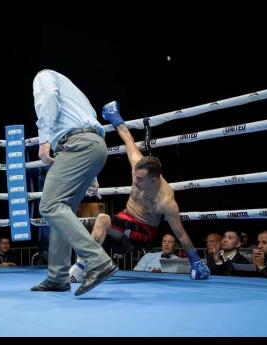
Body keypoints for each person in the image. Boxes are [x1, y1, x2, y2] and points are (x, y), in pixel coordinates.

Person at [69, 100, 209, 282]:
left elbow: (180, 234)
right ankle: (88, 265)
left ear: (154, 179)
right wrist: (114, 117)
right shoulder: (138, 165)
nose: (135, 181)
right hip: (124, 221)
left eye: (140, 179)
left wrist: (196, 261)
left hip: (142, 235)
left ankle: (83, 267)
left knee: (102, 219)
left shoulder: (165, 201)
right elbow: (127, 138)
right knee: (84, 225)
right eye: (135, 176)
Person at [30, 69, 117, 296]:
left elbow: (47, 99)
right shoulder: (76, 93)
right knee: (62, 209)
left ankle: (97, 261)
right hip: (94, 147)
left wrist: (44, 140)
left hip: (77, 145)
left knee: (49, 205)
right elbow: (89, 125)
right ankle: (58, 277)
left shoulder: (43, 76)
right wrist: (92, 174)